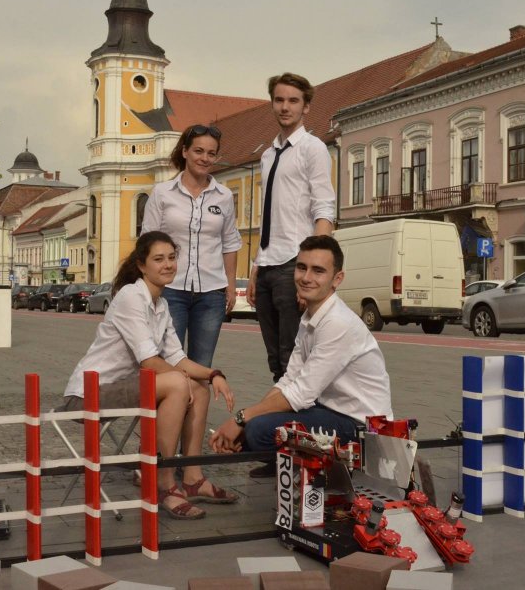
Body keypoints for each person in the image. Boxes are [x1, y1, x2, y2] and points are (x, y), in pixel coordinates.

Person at [62, 231, 238, 520]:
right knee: (178, 383)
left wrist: (213, 373)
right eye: (159, 259)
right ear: (142, 265)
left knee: (201, 388)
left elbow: (177, 358)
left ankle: (192, 478)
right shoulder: (132, 296)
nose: (167, 264)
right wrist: (183, 382)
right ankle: (163, 482)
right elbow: (150, 362)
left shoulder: (161, 304)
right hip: (88, 392)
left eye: (171, 258)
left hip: (125, 388)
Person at [210, 235, 392, 471]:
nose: (306, 278)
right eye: (301, 267)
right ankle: (289, 462)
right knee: (254, 429)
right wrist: (247, 420)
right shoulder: (310, 317)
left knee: (258, 431)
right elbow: (289, 380)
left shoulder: (337, 322)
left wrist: (243, 418)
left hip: (363, 428)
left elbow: (301, 394)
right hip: (330, 411)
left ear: (337, 279)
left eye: (318, 271)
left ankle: (305, 466)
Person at [248, 73, 336, 383]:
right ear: (272, 104)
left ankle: (296, 426)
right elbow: (271, 214)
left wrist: (311, 271)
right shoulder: (267, 155)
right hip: (269, 264)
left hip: (293, 264)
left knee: (293, 355)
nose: (285, 107)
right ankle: (281, 425)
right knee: (275, 358)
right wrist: (257, 266)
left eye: (293, 101)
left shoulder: (313, 149)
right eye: (279, 100)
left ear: (306, 107)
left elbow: (324, 209)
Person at [141, 124, 242, 367]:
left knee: (202, 366)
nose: (204, 158)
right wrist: (148, 287)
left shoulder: (224, 196)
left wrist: (229, 286)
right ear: (185, 151)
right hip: (170, 290)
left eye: (211, 153)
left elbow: (229, 242)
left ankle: (197, 407)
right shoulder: (162, 193)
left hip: (211, 294)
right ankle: (170, 406)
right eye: (198, 151)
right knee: (168, 363)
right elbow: (147, 242)